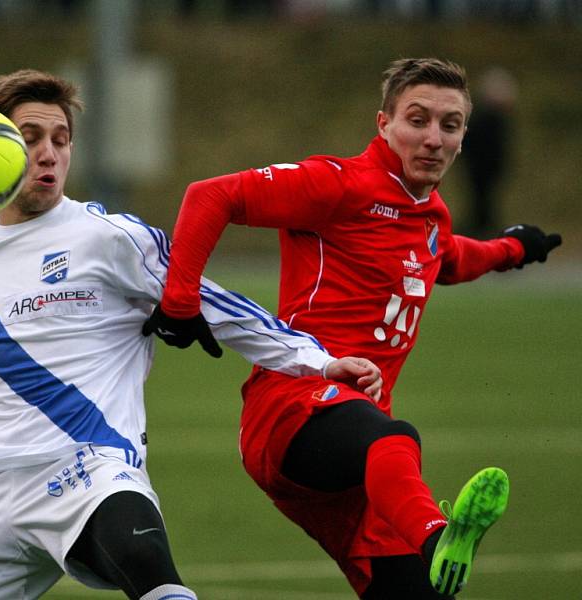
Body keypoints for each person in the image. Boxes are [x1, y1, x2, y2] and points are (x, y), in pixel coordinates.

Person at [0, 69, 383, 600]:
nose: (49, 153)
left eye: (61, 138)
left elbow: (218, 303)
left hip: (87, 466)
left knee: (142, 558)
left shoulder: (108, 237)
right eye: (31, 137)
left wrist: (317, 361)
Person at [143, 58, 562, 599]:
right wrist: (179, 301)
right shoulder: (337, 184)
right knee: (395, 439)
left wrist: (514, 249)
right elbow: (211, 195)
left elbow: (449, 259)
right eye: (418, 119)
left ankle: (424, 554)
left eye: (450, 125)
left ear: (462, 139)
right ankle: (438, 536)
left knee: (413, 593)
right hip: (292, 409)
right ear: (383, 123)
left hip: (367, 470)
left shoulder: (430, 215)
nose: (434, 138)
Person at [461, 67, 518, 237]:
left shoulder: (493, 120)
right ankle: (481, 232)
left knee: (485, 203)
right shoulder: (485, 120)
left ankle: (483, 232)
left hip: (487, 169)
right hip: (481, 169)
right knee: (481, 203)